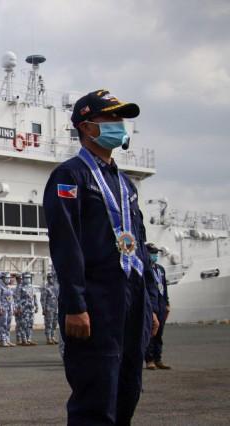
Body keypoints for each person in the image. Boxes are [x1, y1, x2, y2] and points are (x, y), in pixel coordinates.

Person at [43, 90, 159, 425]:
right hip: (96, 301)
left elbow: (140, 245)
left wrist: (149, 302)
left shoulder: (126, 184)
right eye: (111, 118)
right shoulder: (70, 177)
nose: (119, 125)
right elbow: (66, 244)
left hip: (132, 301)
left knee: (127, 392)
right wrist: (75, 304)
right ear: (87, 126)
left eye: (121, 119)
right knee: (95, 401)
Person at [145, 243, 171, 370]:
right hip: (150, 302)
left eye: (156, 253)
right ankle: (149, 360)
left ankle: (158, 358)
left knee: (159, 333)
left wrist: (167, 303)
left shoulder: (160, 269)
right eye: (152, 253)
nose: (155, 255)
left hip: (160, 302)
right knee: (151, 332)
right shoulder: (144, 268)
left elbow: (164, 287)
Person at [15, 272, 39, 346]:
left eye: (29, 278)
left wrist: (36, 305)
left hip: (30, 309)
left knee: (30, 324)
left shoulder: (32, 287)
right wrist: (18, 308)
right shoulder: (20, 287)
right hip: (23, 309)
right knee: (23, 324)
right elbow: (17, 299)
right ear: (23, 278)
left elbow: (34, 297)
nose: (28, 279)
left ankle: (29, 339)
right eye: (26, 278)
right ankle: (24, 340)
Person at [0, 272, 16, 347]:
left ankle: (7, 339)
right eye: (7, 278)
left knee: (8, 325)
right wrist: (0, 308)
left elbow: (12, 299)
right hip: (3, 308)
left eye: (9, 278)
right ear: (3, 279)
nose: (8, 280)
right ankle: (2, 340)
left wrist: (13, 307)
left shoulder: (8, 287)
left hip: (9, 308)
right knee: (2, 324)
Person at [41, 271, 59, 345]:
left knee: (54, 323)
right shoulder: (46, 288)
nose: (50, 279)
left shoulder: (56, 287)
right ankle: (48, 338)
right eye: (49, 278)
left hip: (55, 308)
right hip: (49, 308)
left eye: (51, 277)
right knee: (49, 323)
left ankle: (52, 336)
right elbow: (43, 299)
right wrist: (44, 308)